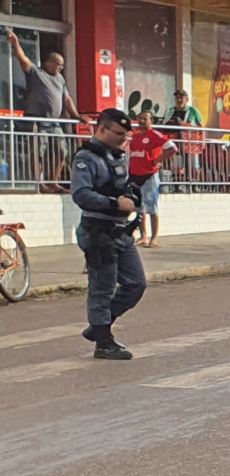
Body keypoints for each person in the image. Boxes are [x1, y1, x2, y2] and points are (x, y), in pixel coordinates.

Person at [71, 108, 146, 360]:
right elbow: (81, 195)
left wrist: (132, 197)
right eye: (119, 134)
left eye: (127, 135)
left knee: (136, 283)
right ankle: (103, 341)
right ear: (101, 129)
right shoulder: (86, 157)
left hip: (121, 231)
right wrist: (115, 204)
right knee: (102, 288)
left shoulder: (116, 155)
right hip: (98, 231)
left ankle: (99, 327)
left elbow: (122, 186)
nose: (123, 139)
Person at [6, 27, 83, 193]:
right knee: (38, 153)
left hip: (54, 122)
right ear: (48, 63)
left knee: (61, 151)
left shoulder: (60, 79)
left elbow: (67, 99)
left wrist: (77, 116)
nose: (60, 69)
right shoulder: (36, 73)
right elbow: (22, 58)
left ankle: (53, 181)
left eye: (62, 67)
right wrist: (16, 43)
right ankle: (39, 183)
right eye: (58, 66)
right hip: (37, 120)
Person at [129, 111, 177, 247]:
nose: (142, 121)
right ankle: (143, 236)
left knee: (152, 207)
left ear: (151, 121)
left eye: (145, 119)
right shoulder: (134, 135)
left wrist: (158, 160)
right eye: (140, 119)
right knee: (139, 207)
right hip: (135, 174)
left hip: (149, 175)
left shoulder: (155, 135)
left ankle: (154, 237)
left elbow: (173, 148)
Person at [165, 89, 204, 188]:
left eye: (181, 98)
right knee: (178, 164)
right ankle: (179, 185)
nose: (178, 100)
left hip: (192, 143)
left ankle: (195, 185)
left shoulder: (193, 110)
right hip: (177, 143)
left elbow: (201, 126)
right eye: (177, 98)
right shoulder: (171, 111)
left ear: (187, 99)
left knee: (193, 165)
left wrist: (202, 141)